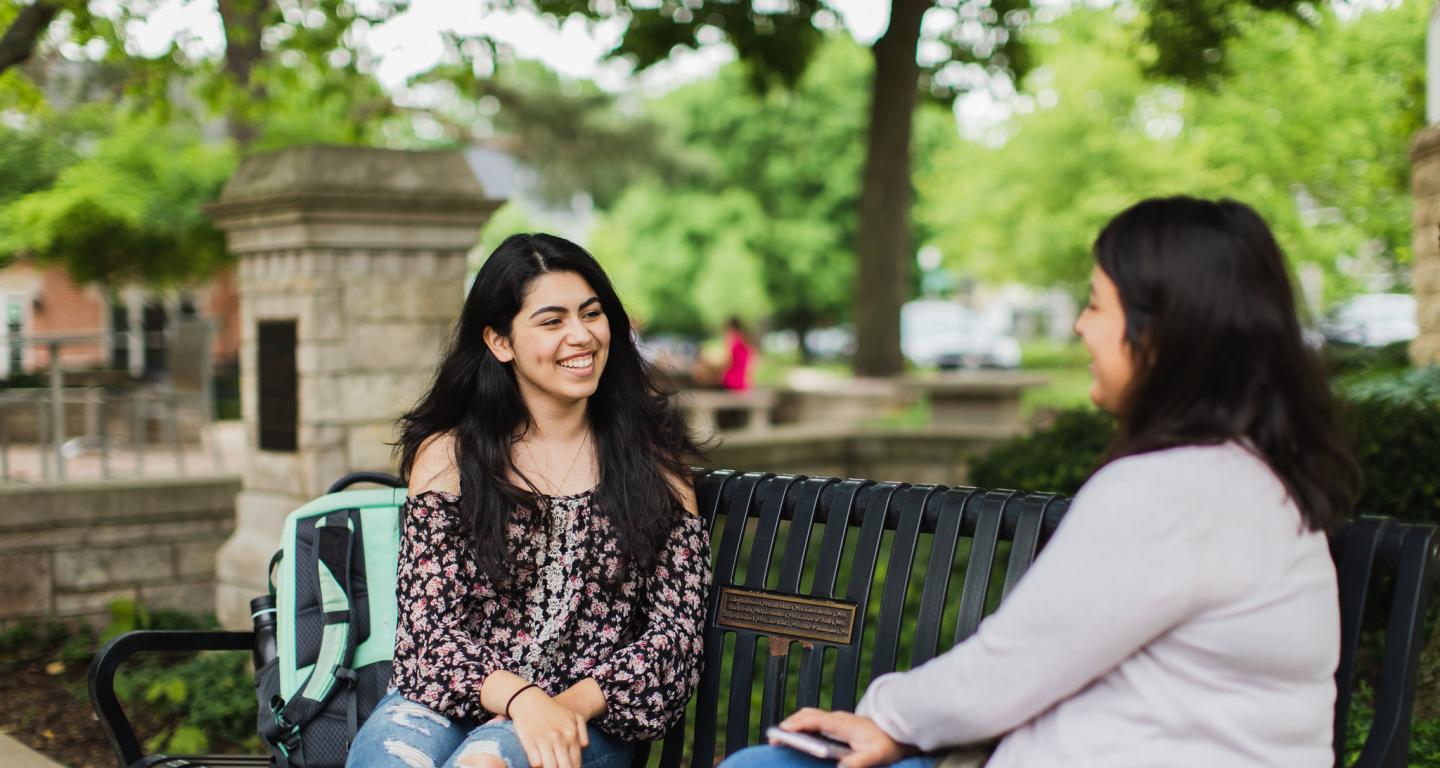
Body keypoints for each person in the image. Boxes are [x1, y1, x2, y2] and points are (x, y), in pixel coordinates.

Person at [721, 196, 1359, 768]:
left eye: (1096, 304)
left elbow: (1002, 676)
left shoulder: (1172, 490)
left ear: (1161, 332)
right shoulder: (1253, 475)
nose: (1081, 326)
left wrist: (883, 715)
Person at [346, 233, 713, 768]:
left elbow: (674, 639)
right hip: (455, 698)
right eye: (551, 321)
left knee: (486, 764)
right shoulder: (452, 457)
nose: (581, 336)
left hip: (588, 716)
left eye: (592, 314)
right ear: (500, 342)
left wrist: (558, 708)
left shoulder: (653, 461)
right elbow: (428, 633)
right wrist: (521, 699)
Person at [721, 316, 755, 392]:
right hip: (745, 382)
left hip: (731, 381)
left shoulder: (731, 338)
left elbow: (727, 361)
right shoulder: (747, 338)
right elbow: (753, 360)